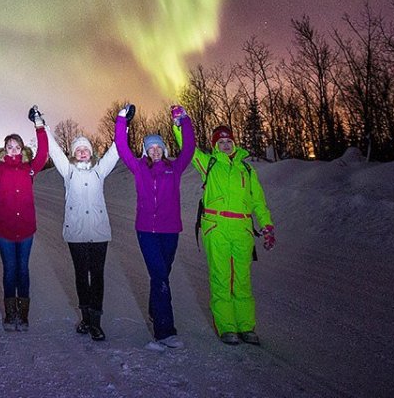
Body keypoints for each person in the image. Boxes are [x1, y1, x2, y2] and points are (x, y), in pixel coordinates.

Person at [181, 123, 275, 346]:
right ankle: (227, 327)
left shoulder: (247, 170)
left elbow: (258, 202)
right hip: (217, 227)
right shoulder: (209, 164)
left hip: (242, 230)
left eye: (228, 141)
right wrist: (180, 123)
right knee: (221, 278)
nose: (225, 145)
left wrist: (267, 225)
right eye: (220, 142)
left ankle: (246, 326)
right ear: (215, 145)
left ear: (234, 143)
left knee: (242, 280)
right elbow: (188, 147)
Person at [115, 103, 195, 350]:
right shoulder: (139, 169)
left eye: (159, 147)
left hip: (171, 230)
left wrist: (184, 121)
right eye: (151, 148)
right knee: (160, 276)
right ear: (145, 151)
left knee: (162, 274)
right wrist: (121, 121)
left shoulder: (175, 168)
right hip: (146, 231)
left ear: (164, 149)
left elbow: (190, 148)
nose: (155, 151)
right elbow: (122, 148)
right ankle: (165, 331)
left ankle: (154, 309)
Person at [0, 106, 49, 331]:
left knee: (23, 269)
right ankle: (10, 314)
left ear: (22, 149)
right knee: (9, 269)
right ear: (4, 149)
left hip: (26, 229)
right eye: (9, 146)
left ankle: (23, 314)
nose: (13, 149)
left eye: (17, 146)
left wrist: (39, 125)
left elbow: (43, 152)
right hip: (4, 230)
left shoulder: (31, 168)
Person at [48, 119, 120, 341]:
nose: (81, 152)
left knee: (97, 276)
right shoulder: (68, 172)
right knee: (81, 275)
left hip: (98, 233)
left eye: (85, 150)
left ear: (91, 153)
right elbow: (55, 151)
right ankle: (85, 319)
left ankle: (96, 323)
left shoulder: (100, 171)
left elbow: (116, 151)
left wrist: (123, 122)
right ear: (73, 154)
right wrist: (42, 127)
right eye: (78, 150)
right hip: (76, 233)